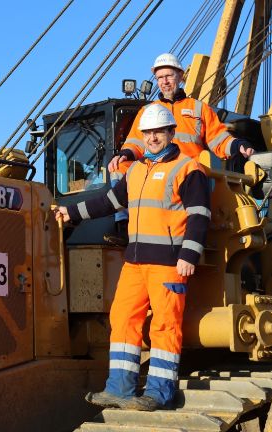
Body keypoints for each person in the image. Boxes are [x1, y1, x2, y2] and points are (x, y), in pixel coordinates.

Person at [54, 104, 211, 411]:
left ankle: (160, 393)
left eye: (158, 132)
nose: (153, 138)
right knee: (123, 318)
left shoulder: (188, 168)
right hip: (135, 262)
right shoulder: (136, 170)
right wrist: (70, 212)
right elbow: (108, 202)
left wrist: (189, 254)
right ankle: (119, 389)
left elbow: (199, 215)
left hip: (169, 262)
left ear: (170, 133)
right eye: (148, 133)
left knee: (164, 325)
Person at [103, 52, 252, 246]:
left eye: (169, 76)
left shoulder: (199, 109)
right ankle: (124, 226)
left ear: (180, 77)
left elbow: (219, 139)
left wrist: (238, 145)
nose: (164, 82)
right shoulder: (147, 111)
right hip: (157, 171)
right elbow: (136, 143)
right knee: (118, 167)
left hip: (188, 174)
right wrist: (124, 154)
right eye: (160, 78)